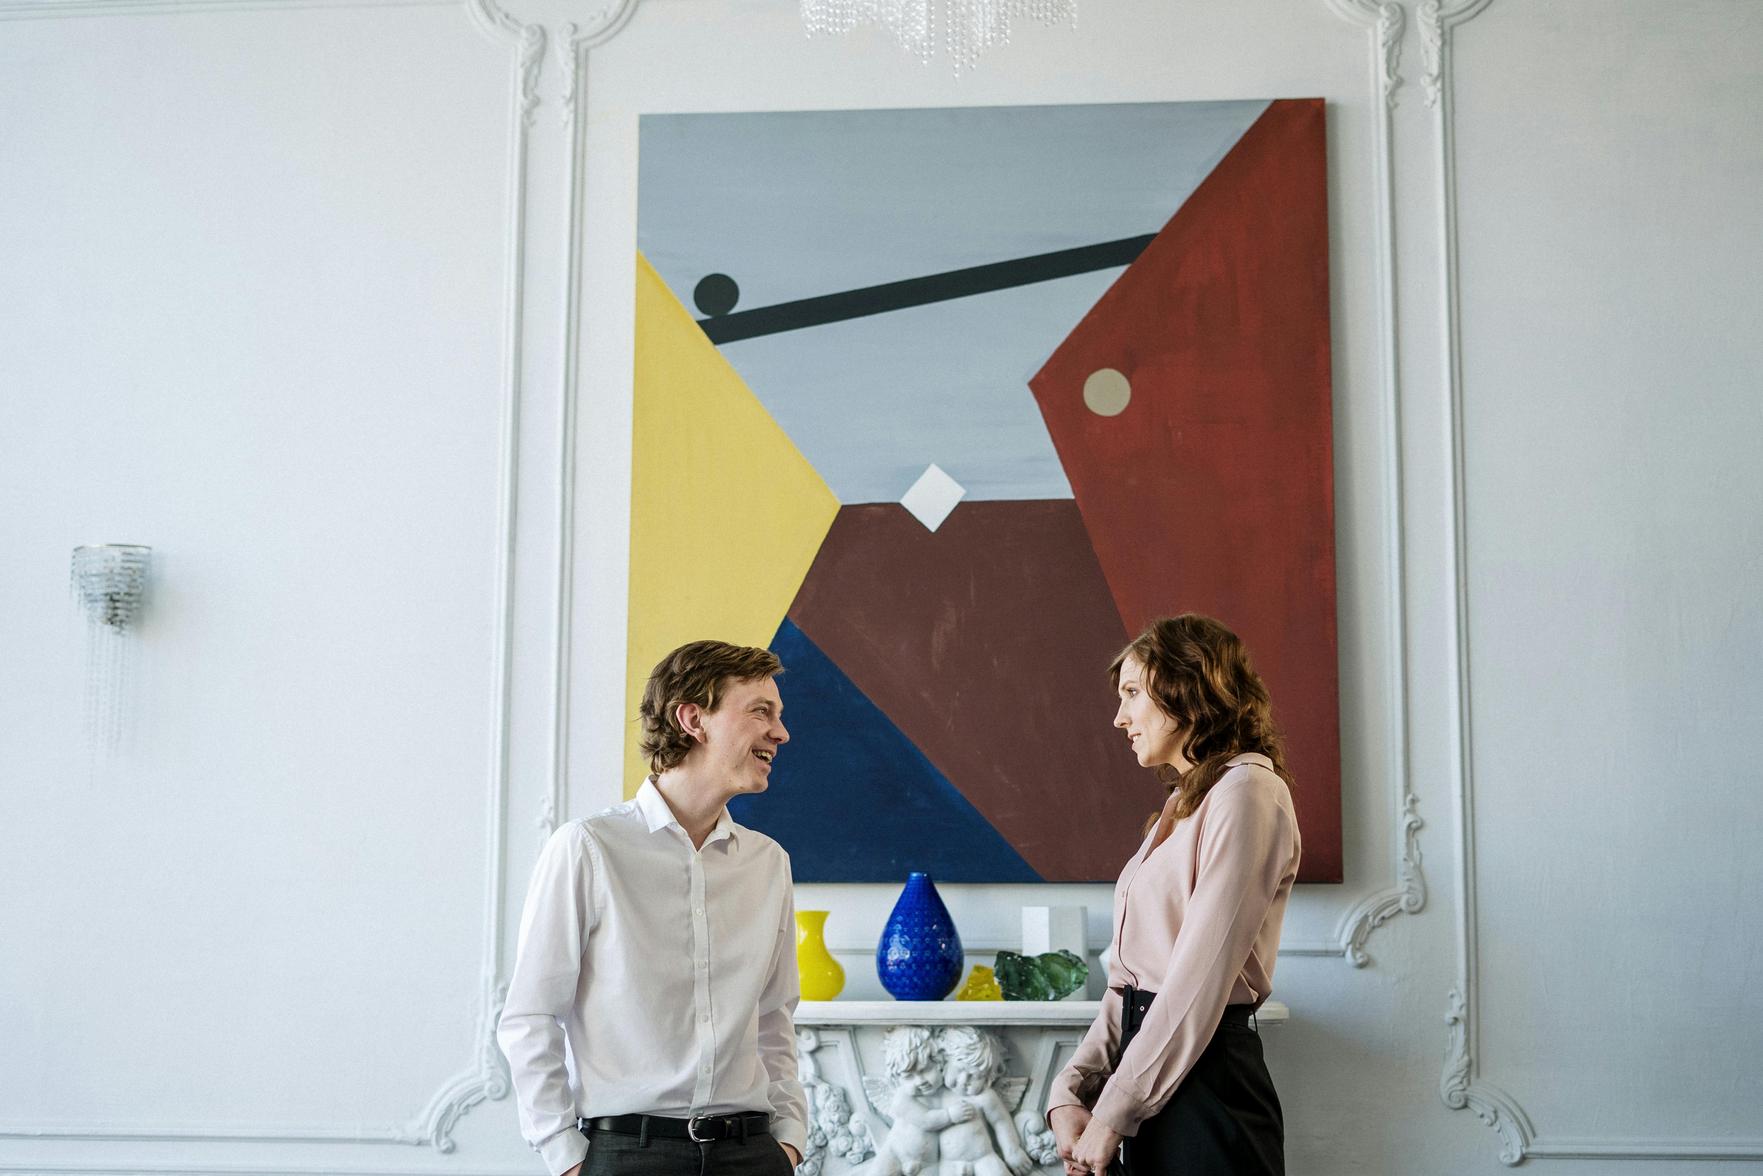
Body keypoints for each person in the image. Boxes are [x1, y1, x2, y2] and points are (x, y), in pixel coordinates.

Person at [498, 640, 808, 1176]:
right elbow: (531, 1015)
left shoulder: (767, 863)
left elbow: (773, 1016)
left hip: (753, 1154)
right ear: (693, 719)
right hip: (627, 1156)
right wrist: (566, 1156)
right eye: (761, 711)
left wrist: (789, 1140)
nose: (780, 733)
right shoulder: (589, 848)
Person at [1045, 614, 1302, 1176]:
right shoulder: (1184, 805)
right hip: (1151, 1082)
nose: (1120, 717)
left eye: (1132, 693)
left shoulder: (1248, 791)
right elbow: (1131, 983)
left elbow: (1197, 981)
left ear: (1187, 688)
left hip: (1208, 1089)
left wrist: (1114, 1111)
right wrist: (1071, 1090)